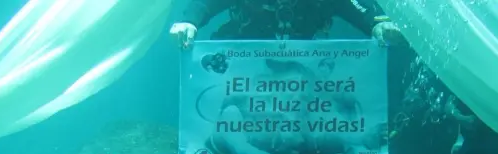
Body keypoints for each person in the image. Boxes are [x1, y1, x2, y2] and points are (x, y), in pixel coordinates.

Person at [169, 0, 403, 46]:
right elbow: (205, 3)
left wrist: (376, 24)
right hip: (240, 65)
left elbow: (352, 5)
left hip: (304, 71)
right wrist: (189, 22)